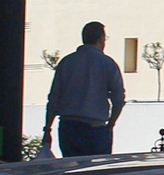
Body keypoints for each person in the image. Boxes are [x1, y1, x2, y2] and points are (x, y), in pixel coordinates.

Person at [43, 21, 126, 157]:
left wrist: (47, 129)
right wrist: (110, 125)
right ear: (101, 39)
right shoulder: (108, 64)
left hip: (68, 126)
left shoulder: (67, 62)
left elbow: (54, 99)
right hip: (96, 128)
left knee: (72, 170)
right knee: (94, 172)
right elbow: (119, 99)